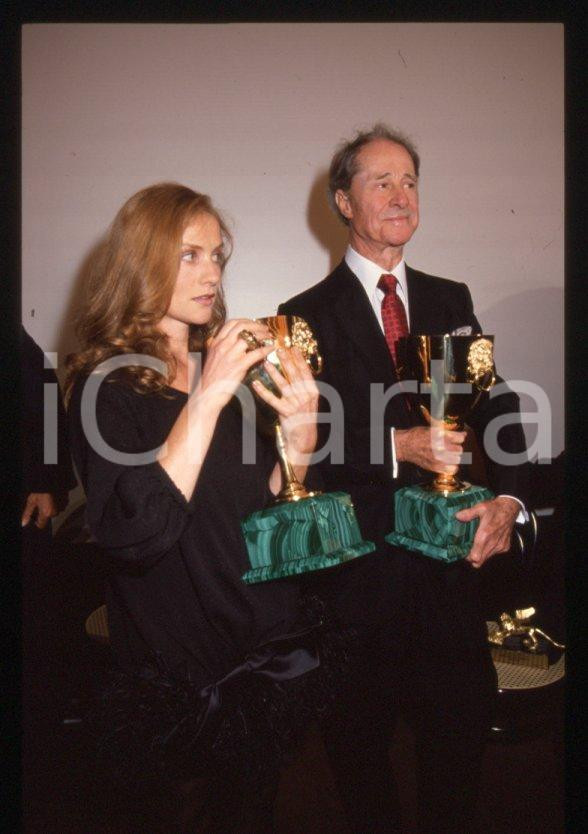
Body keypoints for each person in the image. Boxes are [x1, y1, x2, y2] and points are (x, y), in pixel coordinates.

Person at [65, 182, 348, 832]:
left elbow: (272, 523)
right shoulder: (107, 385)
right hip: (181, 694)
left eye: (217, 255)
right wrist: (209, 392)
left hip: (263, 665)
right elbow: (137, 532)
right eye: (190, 255)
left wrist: (300, 447)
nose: (212, 272)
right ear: (143, 259)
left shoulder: (223, 372)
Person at [278, 124, 529, 833]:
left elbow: (498, 400)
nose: (401, 195)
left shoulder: (451, 298)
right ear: (343, 203)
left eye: (411, 181)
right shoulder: (304, 316)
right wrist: (397, 446)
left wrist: (510, 496)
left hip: (450, 574)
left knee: (459, 746)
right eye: (381, 182)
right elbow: (299, 443)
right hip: (357, 583)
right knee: (358, 758)